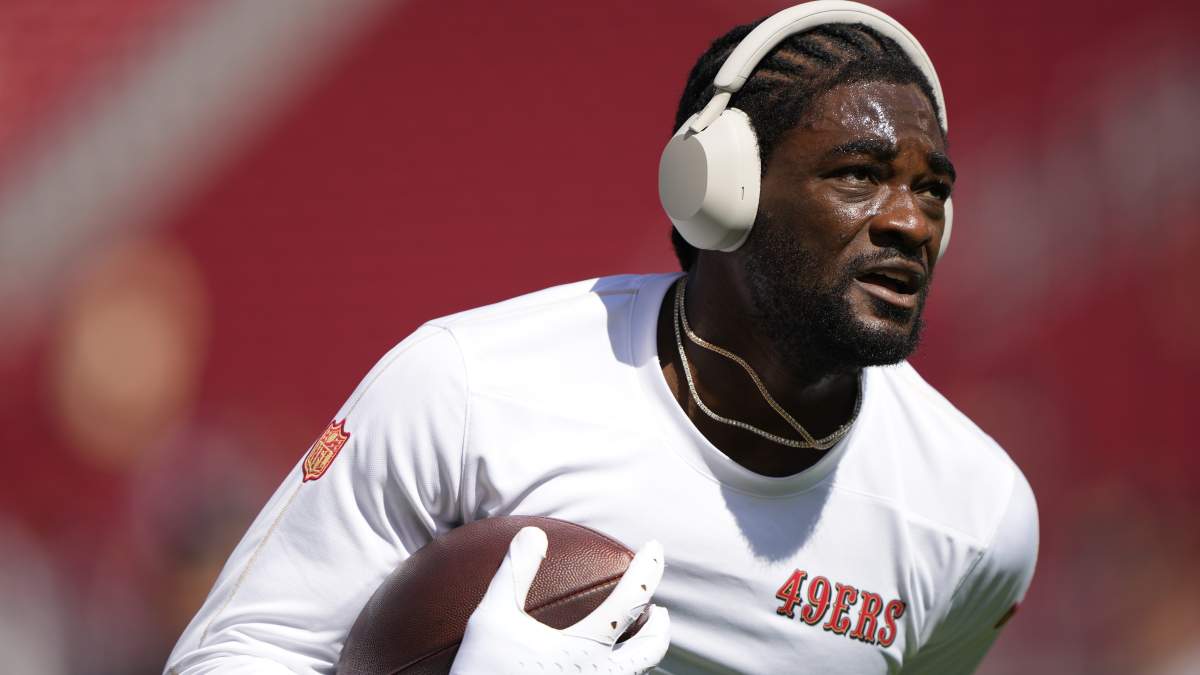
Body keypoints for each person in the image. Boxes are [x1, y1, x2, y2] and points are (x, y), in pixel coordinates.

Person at [166, 2, 1038, 673]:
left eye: (932, 189)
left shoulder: (978, 517)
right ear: (718, 190)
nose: (910, 222)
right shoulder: (465, 391)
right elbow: (228, 657)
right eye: (858, 175)